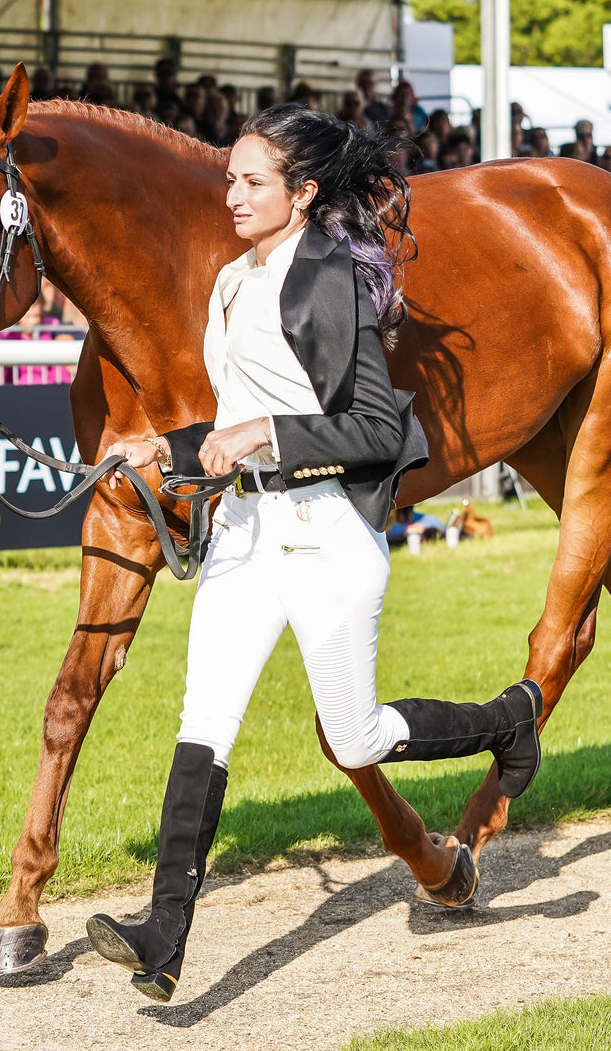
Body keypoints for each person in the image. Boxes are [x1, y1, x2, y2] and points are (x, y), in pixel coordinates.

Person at [85, 104, 543, 1002]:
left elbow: (377, 428)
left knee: (356, 733)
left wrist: (261, 432)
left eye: (254, 182)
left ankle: (507, 721)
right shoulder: (228, 282)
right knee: (202, 722)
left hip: (327, 535)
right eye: (229, 179)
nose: (233, 196)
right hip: (244, 538)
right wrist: (164, 450)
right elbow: (230, 429)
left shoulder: (328, 277)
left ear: (301, 192)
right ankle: (163, 940)